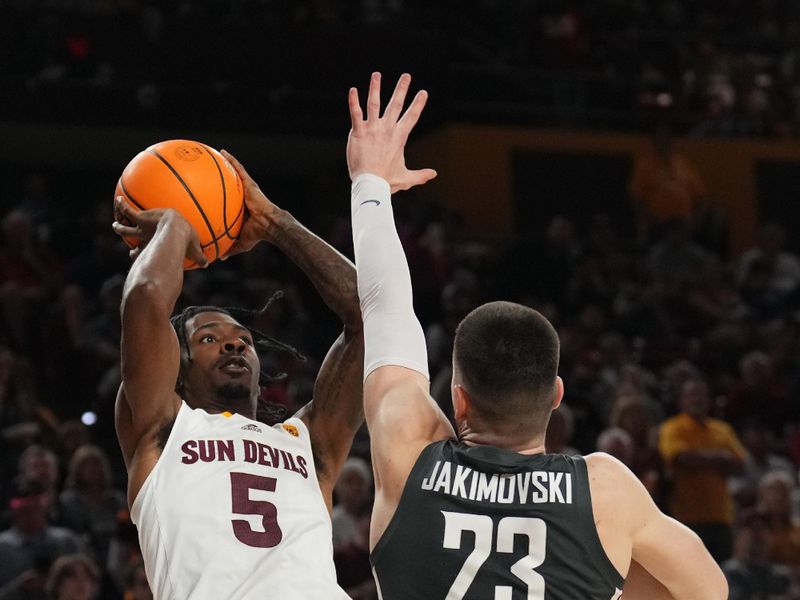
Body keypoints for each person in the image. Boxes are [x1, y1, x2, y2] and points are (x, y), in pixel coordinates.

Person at [346, 72, 727, 599]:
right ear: (556, 397)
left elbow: (386, 307)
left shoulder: (407, 450)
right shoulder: (604, 490)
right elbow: (709, 591)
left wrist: (369, 183)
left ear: (457, 398)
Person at [110, 148, 365, 598]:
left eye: (244, 340)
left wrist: (276, 224)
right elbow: (147, 298)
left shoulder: (309, 441)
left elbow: (370, 316)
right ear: (178, 373)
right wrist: (174, 225)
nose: (233, 343)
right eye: (208, 339)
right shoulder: (161, 428)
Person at [658, 376, 747, 562]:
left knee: (723, 577)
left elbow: (740, 465)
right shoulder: (672, 428)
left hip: (721, 516)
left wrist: (698, 458)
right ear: (681, 400)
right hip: (687, 518)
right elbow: (679, 457)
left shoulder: (722, 429)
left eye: (701, 395)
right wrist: (720, 458)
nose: (697, 400)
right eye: (692, 395)